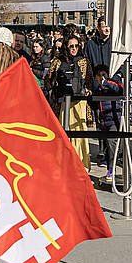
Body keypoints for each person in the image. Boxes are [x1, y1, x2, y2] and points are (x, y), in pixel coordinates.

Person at [46, 35, 92, 169]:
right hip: (63, 103)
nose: (74, 49)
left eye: (76, 46)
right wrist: (54, 91)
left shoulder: (84, 61)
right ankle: (63, 164)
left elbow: (89, 80)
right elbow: (49, 79)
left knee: (79, 131)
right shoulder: (57, 61)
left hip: (79, 103)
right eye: (71, 46)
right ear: (66, 46)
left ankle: (81, 164)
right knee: (63, 132)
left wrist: (88, 90)